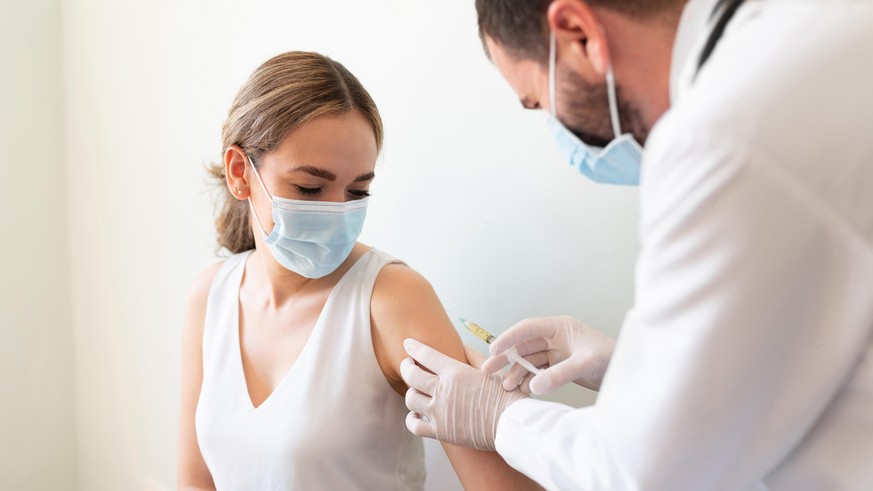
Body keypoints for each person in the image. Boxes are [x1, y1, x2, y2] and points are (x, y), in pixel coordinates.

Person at [400, 0, 873, 489]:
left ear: (578, 33)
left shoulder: (718, 140)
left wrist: (499, 419)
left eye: (540, 102)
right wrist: (629, 364)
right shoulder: (825, 24)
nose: (558, 132)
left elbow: (645, 472)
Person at [177, 51, 541, 490]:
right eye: (310, 188)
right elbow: (196, 481)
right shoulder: (210, 296)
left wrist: (510, 423)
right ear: (240, 173)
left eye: (357, 191)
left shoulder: (392, 300)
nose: (337, 212)